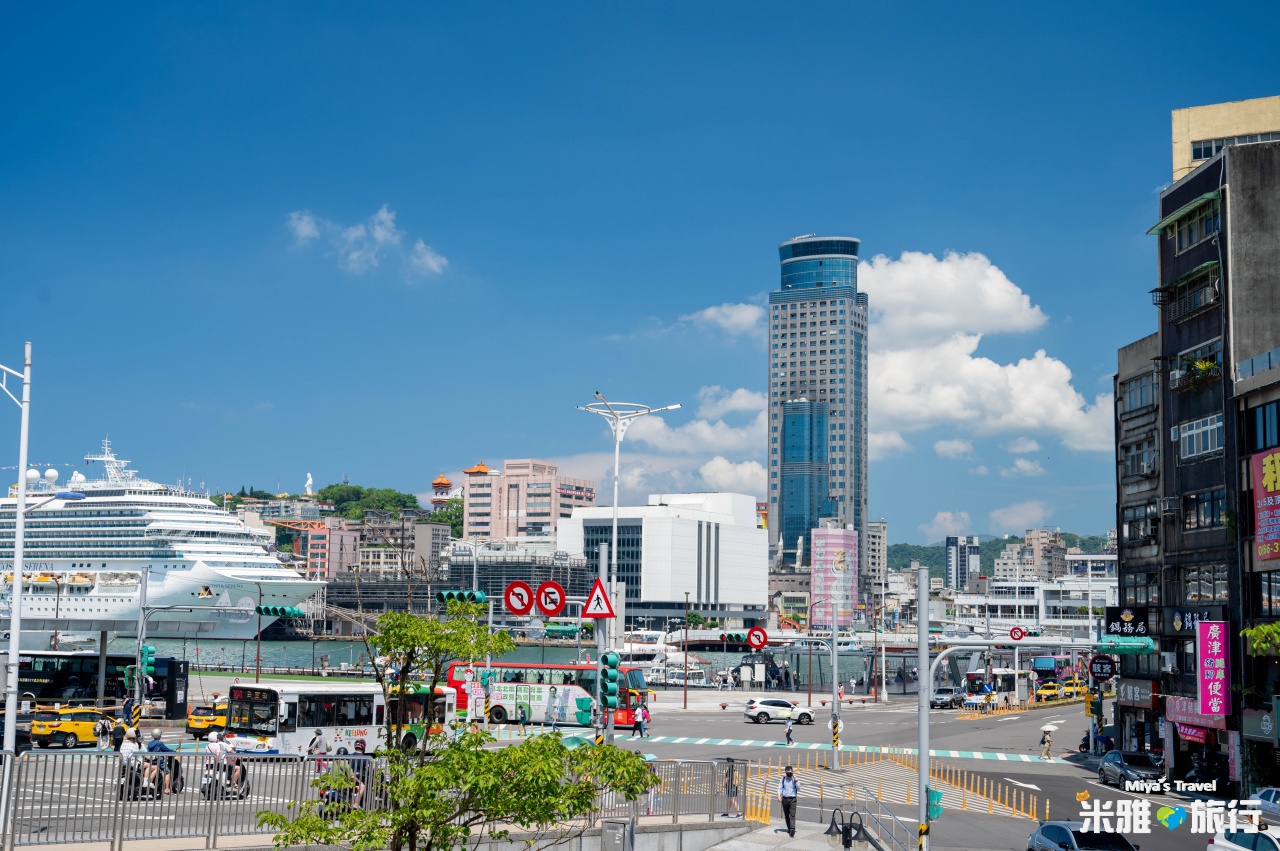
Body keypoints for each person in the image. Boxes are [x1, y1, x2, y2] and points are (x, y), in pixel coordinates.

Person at [145, 730, 177, 794]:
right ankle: (167, 789)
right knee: (167, 772)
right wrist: (173, 752)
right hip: (159, 761)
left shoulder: (149, 743)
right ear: (159, 735)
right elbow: (166, 750)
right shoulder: (160, 743)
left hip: (151, 761)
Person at [777, 765, 799, 837]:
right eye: (787, 772)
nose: (789, 774)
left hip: (793, 799)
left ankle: (792, 829)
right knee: (786, 815)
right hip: (785, 799)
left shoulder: (794, 779)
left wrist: (796, 780)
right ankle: (789, 828)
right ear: (785, 772)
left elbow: (799, 788)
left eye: (790, 772)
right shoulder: (783, 779)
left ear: (792, 772)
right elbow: (779, 788)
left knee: (792, 814)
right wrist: (779, 796)